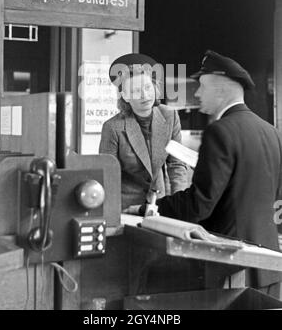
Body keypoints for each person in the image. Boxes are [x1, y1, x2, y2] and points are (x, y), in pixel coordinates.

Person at [148, 50, 282, 297]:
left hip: (231, 265)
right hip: (269, 263)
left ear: (220, 90)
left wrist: (155, 210)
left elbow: (200, 205)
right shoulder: (271, 132)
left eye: (201, 86)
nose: (197, 94)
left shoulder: (220, 132)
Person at [99, 53, 191, 212]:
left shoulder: (170, 116)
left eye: (148, 88)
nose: (145, 95)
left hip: (159, 204)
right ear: (126, 97)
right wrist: (112, 211)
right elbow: (107, 174)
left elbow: (176, 165)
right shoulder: (112, 127)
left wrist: (179, 204)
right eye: (135, 91)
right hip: (126, 207)